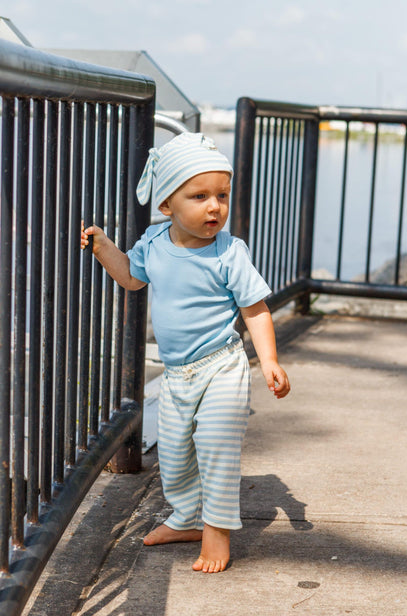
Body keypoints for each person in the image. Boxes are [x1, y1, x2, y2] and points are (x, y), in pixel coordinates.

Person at [81, 132, 290, 574]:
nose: (214, 206)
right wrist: (103, 248)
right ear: (166, 206)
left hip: (221, 366)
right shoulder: (154, 244)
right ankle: (187, 518)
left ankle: (217, 532)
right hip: (177, 374)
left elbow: (255, 310)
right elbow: (132, 278)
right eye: (199, 196)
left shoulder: (230, 253)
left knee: (215, 447)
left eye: (222, 195)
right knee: (175, 455)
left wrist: (268, 359)